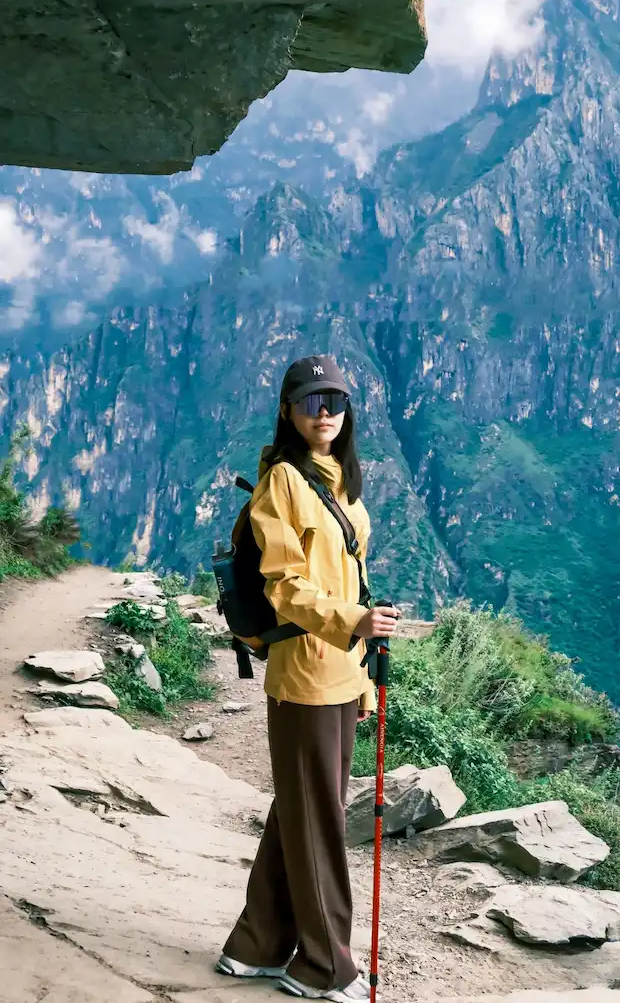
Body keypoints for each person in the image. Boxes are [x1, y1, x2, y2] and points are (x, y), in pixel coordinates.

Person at [216, 355, 400, 1002]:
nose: (326, 410)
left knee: (300, 805)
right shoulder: (283, 485)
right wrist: (354, 621)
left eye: (336, 400)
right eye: (311, 399)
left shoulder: (341, 482)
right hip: (301, 677)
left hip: (341, 676)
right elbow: (287, 588)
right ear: (289, 410)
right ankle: (325, 966)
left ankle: (258, 944)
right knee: (317, 815)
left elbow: (350, 575)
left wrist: (364, 679)